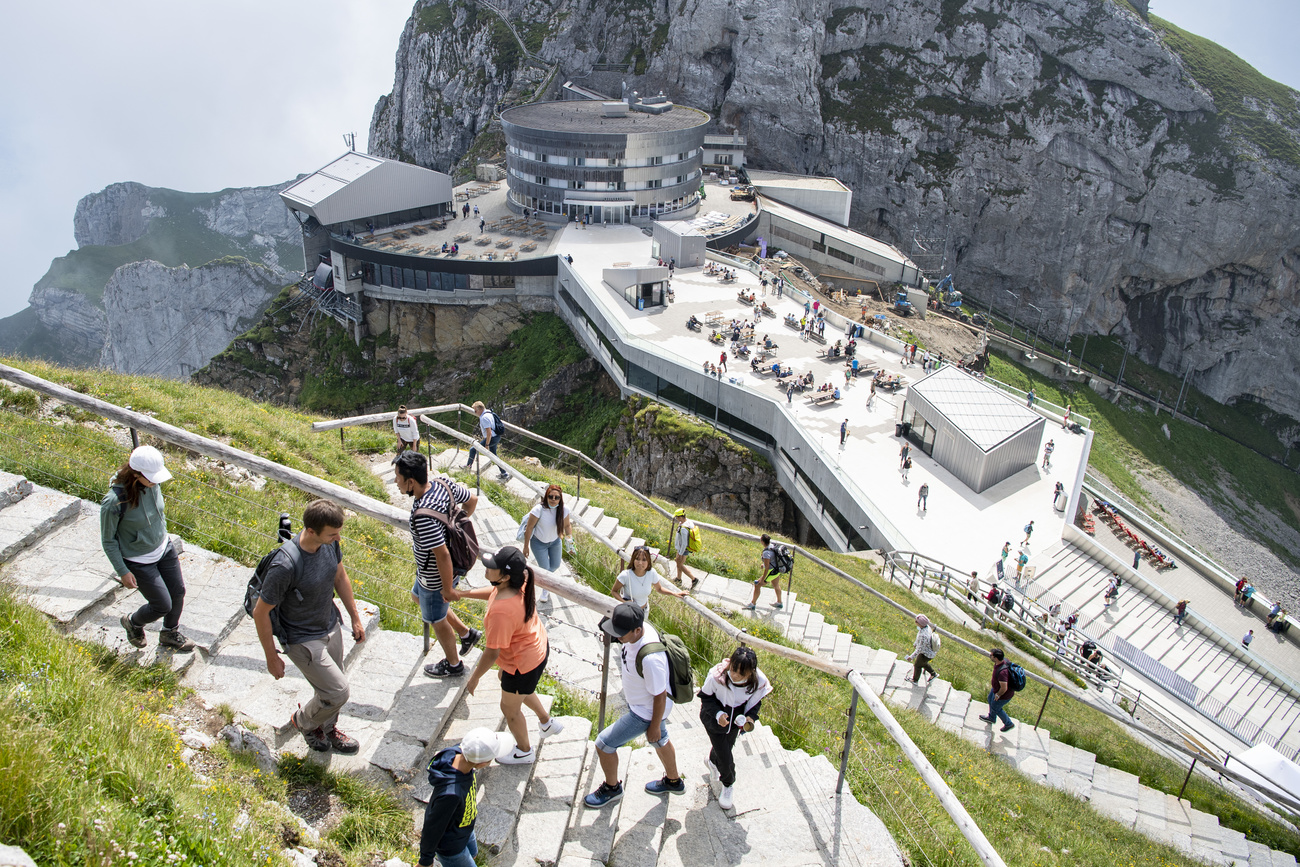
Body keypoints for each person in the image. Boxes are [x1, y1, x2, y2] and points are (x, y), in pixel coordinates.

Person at [253, 499, 366, 754]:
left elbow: (340, 576)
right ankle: (304, 721)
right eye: (333, 533)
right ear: (312, 531)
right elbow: (260, 612)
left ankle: (326, 728)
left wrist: (355, 618)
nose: (338, 538)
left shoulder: (330, 545)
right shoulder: (285, 566)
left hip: (329, 624)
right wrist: (271, 657)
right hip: (302, 638)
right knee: (338, 692)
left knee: (330, 689)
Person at [443, 547, 563, 764]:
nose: (487, 568)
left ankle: (524, 751)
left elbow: (492, 651)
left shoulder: (502, 611)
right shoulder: (519, 581)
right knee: (510, 685)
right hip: (536, 647)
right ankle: (546, 721)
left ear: (506, 576)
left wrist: (474, 677)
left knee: (509, 707)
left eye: (493, 567)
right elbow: (494, 592)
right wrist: (462, 594)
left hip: (522, 663)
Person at [584, 603, 683, 807]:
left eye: (621, 633)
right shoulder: (638, 630)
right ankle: (674, 781)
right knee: (660, 740)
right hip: (641, 703)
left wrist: (654, 725)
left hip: (645, 712)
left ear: (637, 630)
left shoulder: (651, 659)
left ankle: (612, 788)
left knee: (604, 744)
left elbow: (660, 696)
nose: (618, 637)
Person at [100, 445, 196, 652]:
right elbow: (108, 540)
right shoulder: (114, 502)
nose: (156, 481)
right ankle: (133, 623)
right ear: (135, 474)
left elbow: (157, 514)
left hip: (164, 548)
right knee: (162, 605)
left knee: (178, 592)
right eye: (151, 477)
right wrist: (123, 571)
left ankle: (170, 633)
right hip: (139, 560)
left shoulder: (152, 484)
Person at [395, 452, 482, 678]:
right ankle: (466, 634)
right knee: (418, 597)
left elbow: (442, 554)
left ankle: (454, 665)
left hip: (435, 575)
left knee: (436, 619)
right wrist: (456, 528)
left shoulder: (423, 514)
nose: (396, 481)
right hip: (434, 570)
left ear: (410, 482)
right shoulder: (442, 485)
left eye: (398, 477)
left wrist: (447, 589)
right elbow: (472, 500)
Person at [418, 727, 512, 867]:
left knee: (473, 854)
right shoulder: (451, 794)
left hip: (464, 827)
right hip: (452, 847)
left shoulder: (456, 752)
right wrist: (425, 861)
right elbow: (433, 827)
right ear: (482, 764)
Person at [699, 646, 772, 811]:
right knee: (726, 757)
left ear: (750, 673)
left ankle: (711, 761)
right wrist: (718, 714)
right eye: (733, 669)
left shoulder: (758, 682)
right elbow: (705, 697)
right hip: (714, 719)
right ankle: (728, 784)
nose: (734, 675)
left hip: (736, 720)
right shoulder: (717, 676)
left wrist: (750, 718)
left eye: (741, 673)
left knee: (726, 746)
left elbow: (755, 703)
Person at [522, 484, 573, 604]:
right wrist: (526, 546)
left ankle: (538, 578)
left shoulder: (564, 510)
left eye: (557, 498)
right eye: (551, 497)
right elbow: (529, 528)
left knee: (555, 565)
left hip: (555, 541)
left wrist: (570, 542)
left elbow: (567, 526)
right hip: (539, 543)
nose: (553, 500)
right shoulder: (538, 510)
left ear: (561, 498)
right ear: (546, 496)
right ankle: (546, 589)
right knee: (545, 569)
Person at [613, 545, 687, 613]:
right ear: (633, 560)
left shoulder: (651, 573)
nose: (640, 563)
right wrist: (624, 602)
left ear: (648, 561)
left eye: (644, 560)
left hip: (644, 611)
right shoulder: (625, 575)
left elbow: (659, 589)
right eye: (637, 559)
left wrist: (674, 593)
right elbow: (614, 591)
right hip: (630, 612)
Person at [465, 401, 508, 480]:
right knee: (494, 455)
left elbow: (489, 433)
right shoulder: (489, 413)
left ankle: (468, 468)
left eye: (475, 410)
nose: (475, 412)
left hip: (492, 438)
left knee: (473, 450)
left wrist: (487, 445)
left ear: (480, 409)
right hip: (496, 437)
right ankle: (504, 473)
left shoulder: (484, 418)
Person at [978, 647, 1016, 732]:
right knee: (989, 699)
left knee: (996, 708)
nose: (989, 656)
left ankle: (1008, 723)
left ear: (995, 658)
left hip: (1003, 694)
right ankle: (991, 717)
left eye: (991, 655)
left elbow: (1004, 688)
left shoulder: (1003, 672)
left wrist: (998, 695)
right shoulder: (1003, 662)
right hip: (996, 689)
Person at [745, 534, 785, 611]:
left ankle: (753, 604)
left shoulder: (766, 553)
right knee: (776, 585)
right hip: (777, 570)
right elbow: (772, 559)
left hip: (771, 572)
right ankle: (779, 602)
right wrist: (764, 564)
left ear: (762, 541)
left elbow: (767, 568)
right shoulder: (773, 546)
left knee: (757, 585)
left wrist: (763, 579)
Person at [904, 614, 939, 684]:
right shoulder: (927, 627)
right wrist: (916, 643)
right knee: (922, 663)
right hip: (930, 652)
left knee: (917, 665)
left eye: (916, 621)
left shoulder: (923, 635)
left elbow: (920, 649)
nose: (915, 622)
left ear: (920, 624)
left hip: (926, 654)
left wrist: (911, 657)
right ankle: (933, 674)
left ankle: (915, 680)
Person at [671, 509, 699, 587]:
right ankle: (678, 578)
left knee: (680, 564)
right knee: (678, 562)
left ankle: (694, 579)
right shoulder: (688, 522)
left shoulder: (684, 529)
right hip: (683, 548)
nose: (676, 519)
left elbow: (684, 543)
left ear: (680, 517)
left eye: (677, 517)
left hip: (683, 549)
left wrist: (680, 553)